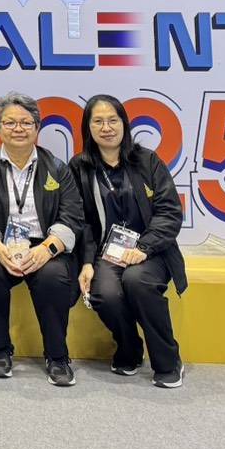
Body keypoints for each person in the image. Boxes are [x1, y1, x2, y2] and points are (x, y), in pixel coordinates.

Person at [0, 91, 84, 386]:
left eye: (26, 123)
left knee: (53, 277)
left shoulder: (57, 167)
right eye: (10, 122)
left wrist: (48, 249)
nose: (19, 129)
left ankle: (57, 356)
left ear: (37, 128)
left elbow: (72, 214)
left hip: (45, 244)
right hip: (0, 244)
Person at [69, 95, 187, 389]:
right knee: (105, 294)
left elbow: (170, 212)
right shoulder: (80, 167)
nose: (106, 127)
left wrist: (144, 248)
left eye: (113, 120)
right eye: (98, 121)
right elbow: (81, 221)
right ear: (88, 128)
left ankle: (168, 360)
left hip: (151, 252)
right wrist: (86, 262)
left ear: (124, 123)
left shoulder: (147, 160)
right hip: (106, 254)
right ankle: (130, 348)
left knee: (137, 282)